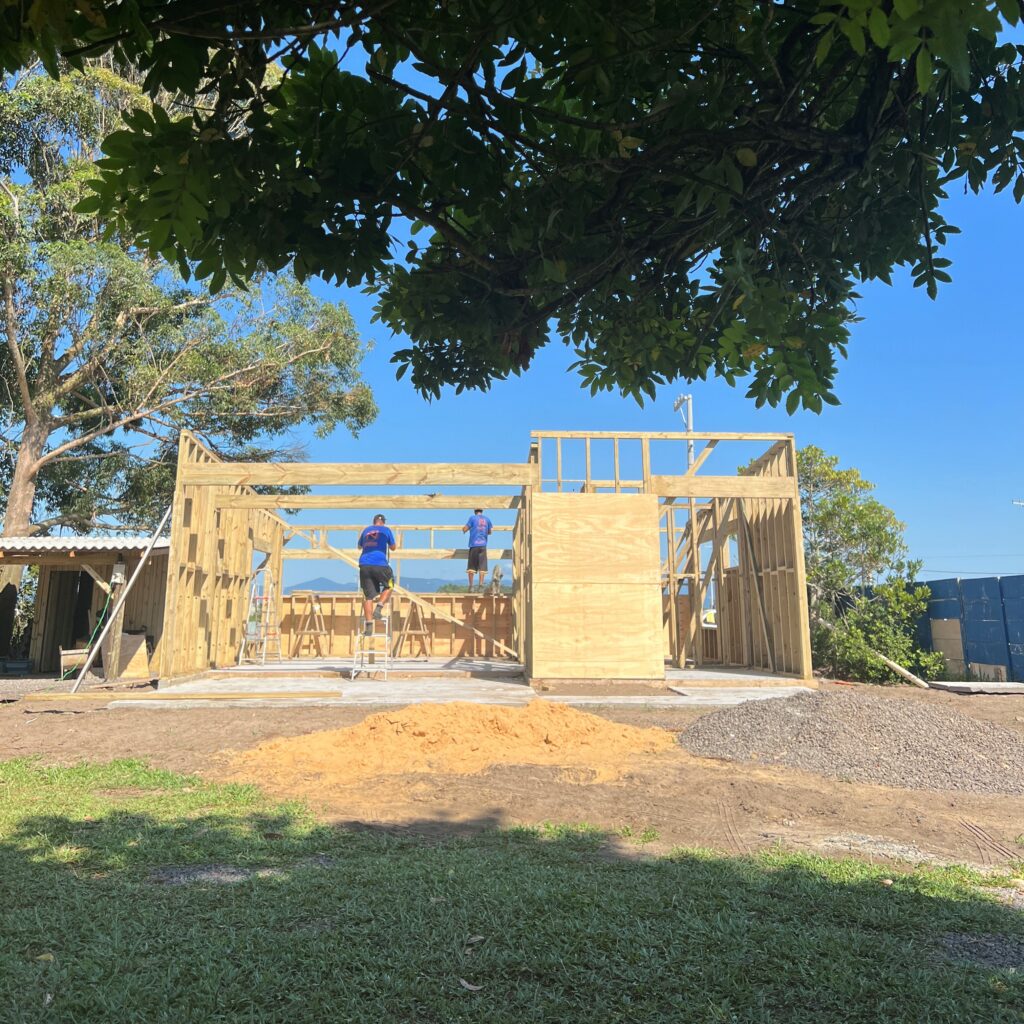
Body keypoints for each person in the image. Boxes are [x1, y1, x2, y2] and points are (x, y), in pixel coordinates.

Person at [357, 513, 397, 634]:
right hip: (379, 564)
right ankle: (379, 607)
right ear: (383, 522)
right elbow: (393, 547)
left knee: (368, 596)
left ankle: (369, 627)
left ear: (373, 521)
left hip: (364, 565)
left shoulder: (366, 530)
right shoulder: (386, 530)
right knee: (390, 584)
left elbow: (359, 546)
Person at [462, 508, 493, 592]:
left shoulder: (472, 518)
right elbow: (490, 531)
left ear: (475, 512)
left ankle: (471, 586)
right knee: (482, 566)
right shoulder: (487, 519)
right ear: (482, 512)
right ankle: (481, 586)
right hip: (483, 545)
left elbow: (465, 529)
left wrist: (463, 529)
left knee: (471, 567)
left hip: (474, 545)